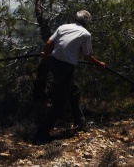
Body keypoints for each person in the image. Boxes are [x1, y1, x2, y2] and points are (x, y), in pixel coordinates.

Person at [34, 10, 106, 143]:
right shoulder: (85, 34)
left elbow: (49, 43)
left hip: (54, 63)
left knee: (74, 91)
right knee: (60, 102)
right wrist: (99, 64)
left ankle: (80, 121)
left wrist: (45, 55)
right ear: (87, 22)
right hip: (66, 67)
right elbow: (87, 56)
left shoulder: (63, 27)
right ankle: (42, 132)